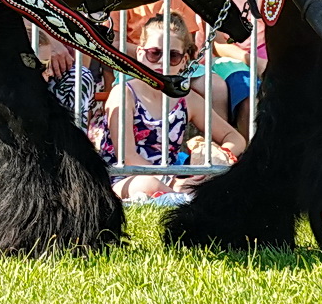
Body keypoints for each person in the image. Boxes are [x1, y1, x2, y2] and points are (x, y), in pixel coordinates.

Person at [91, 11, 246, 201]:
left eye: (173, 56)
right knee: (147, 184)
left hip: (174, 179)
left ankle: (179, 198)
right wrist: (171, 179)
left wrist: (220, 156)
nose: (163, 62)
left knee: (213, 178)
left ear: (184, 61)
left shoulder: (187, 99)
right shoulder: (124, 93)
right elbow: (128, 157)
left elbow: (235, 137)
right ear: (140, 53)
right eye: (155, 53)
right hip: (123, 179)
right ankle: (184, 200)